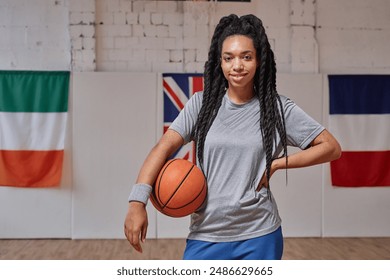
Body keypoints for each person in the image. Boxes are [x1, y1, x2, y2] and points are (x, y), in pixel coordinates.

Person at [124, 14, 341, 260]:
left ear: (259, 60)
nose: (237, 65)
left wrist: (278, 163)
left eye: (246, 57)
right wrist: (137, 202)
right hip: (206, 233)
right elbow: (162, 149)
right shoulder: (201, 106)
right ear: (220, 62)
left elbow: (331, 147)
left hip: (260, 235)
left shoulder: (277, 109)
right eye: (229, 58)